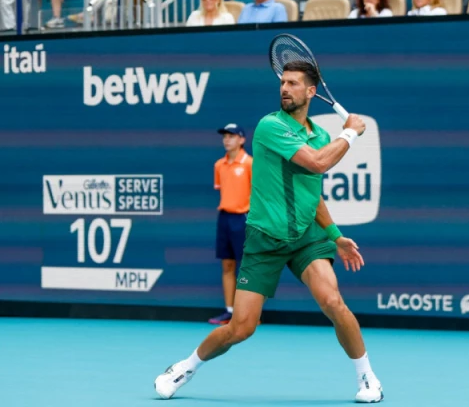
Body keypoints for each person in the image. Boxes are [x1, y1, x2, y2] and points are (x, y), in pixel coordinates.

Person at [154, 60, 383, 403]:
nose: (285, 89)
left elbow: (312, 194)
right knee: (241, 328)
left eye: (293, 83)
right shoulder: (270, 126)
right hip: (265, 238)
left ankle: (368, 378)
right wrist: (349, 132)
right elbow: (318, 162)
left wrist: (335, 235)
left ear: (311, 91)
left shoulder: (320, 137)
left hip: (306, 237)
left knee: (333, 302)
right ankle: (185, 367)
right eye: (283, 82)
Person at [209, 123, 253, 325]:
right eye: (225, 136)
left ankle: (249, 314)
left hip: (244, 218)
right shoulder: (219, 165)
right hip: (225, 218)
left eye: (232, 136)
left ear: (242, 140)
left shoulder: (250, 163)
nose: (227, 140)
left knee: (247, 267)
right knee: (227, 265)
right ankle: (230, 311)